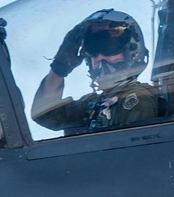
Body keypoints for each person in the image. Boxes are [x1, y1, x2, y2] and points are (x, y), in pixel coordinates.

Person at [31, 9, 163, 134]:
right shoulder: (96, 102)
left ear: (132, 50)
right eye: (93, 48)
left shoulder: (137, 98)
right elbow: (46, 115)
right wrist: (60, 68)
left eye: (108, 46)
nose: (99, 57)